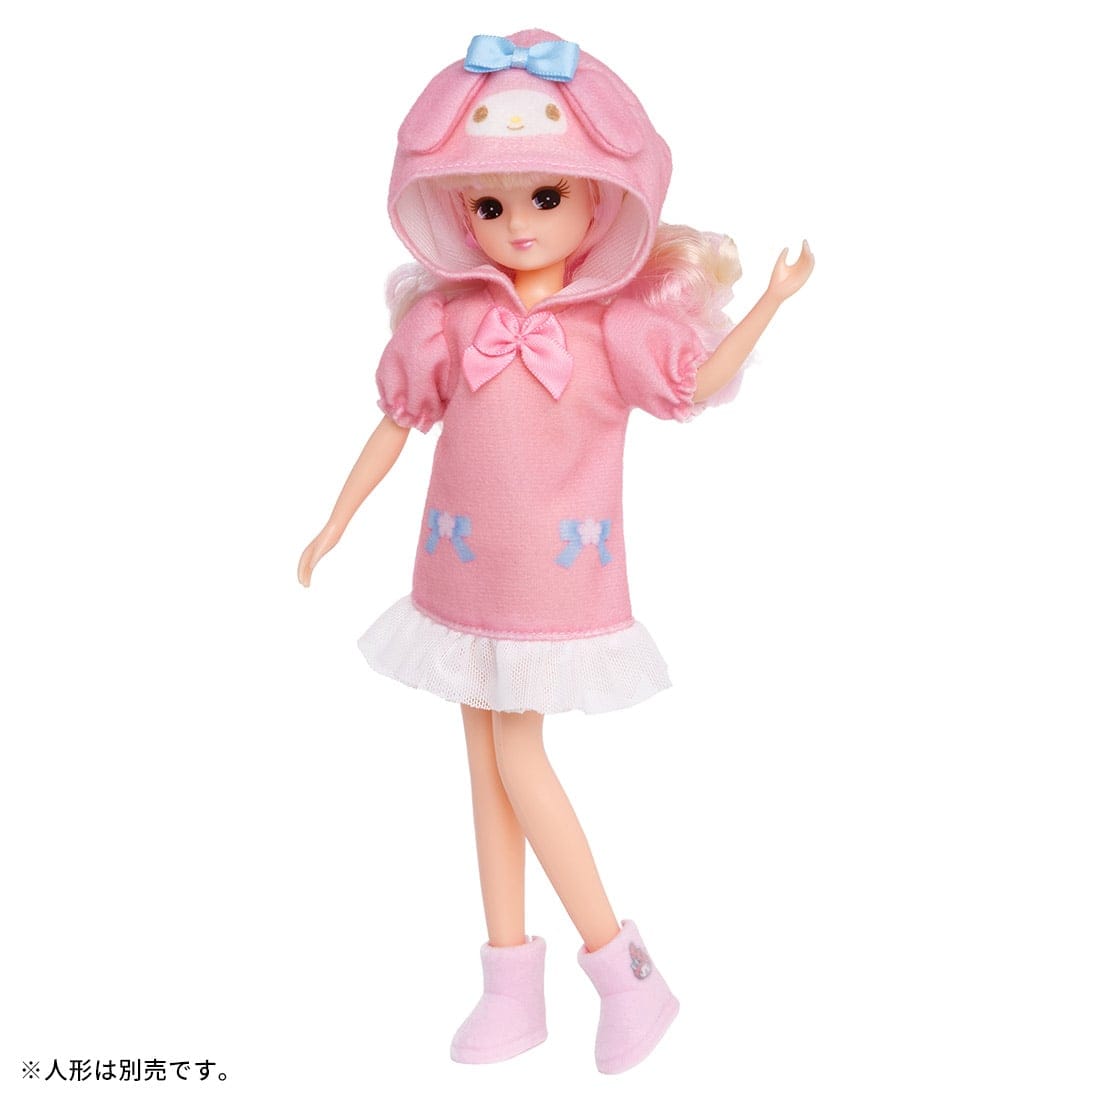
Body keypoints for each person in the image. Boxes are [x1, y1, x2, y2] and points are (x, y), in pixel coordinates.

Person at [298, 30, 813, 1074]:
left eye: (545, 196)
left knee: (518, 756)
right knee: (482, 763)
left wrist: (767, 300)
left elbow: (694, 383)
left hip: (551, 574)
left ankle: (625, 973)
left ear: (602, 202)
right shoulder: (451, 319)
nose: (518, 223)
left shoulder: (612, 327)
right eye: (490, 205)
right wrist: (337, 517)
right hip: (457, 568)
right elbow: (398, 423)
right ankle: (508, 982)